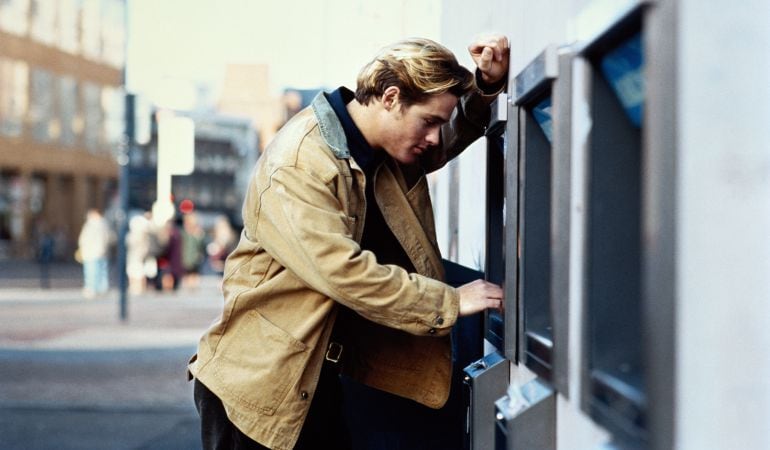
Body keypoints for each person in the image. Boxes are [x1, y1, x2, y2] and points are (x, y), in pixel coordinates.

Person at [189, 34, 509, 450]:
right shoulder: (300, 163)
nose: (433, 137)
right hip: (260, 388)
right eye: (428, 122)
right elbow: (343, 271)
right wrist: (449, 302)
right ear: (390, 98)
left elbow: (440, 143)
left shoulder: (376, 146)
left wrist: (484, 89)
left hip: (316, 376)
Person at [77, 208, 112, 298]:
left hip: (91, 252)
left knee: (91, 271)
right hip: (102, 251)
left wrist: (82, 248)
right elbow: (109, 237)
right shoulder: (105, 224)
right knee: (102, 271)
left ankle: (91, 288)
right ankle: (102, 288)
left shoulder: (90, 225)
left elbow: (83, 239)